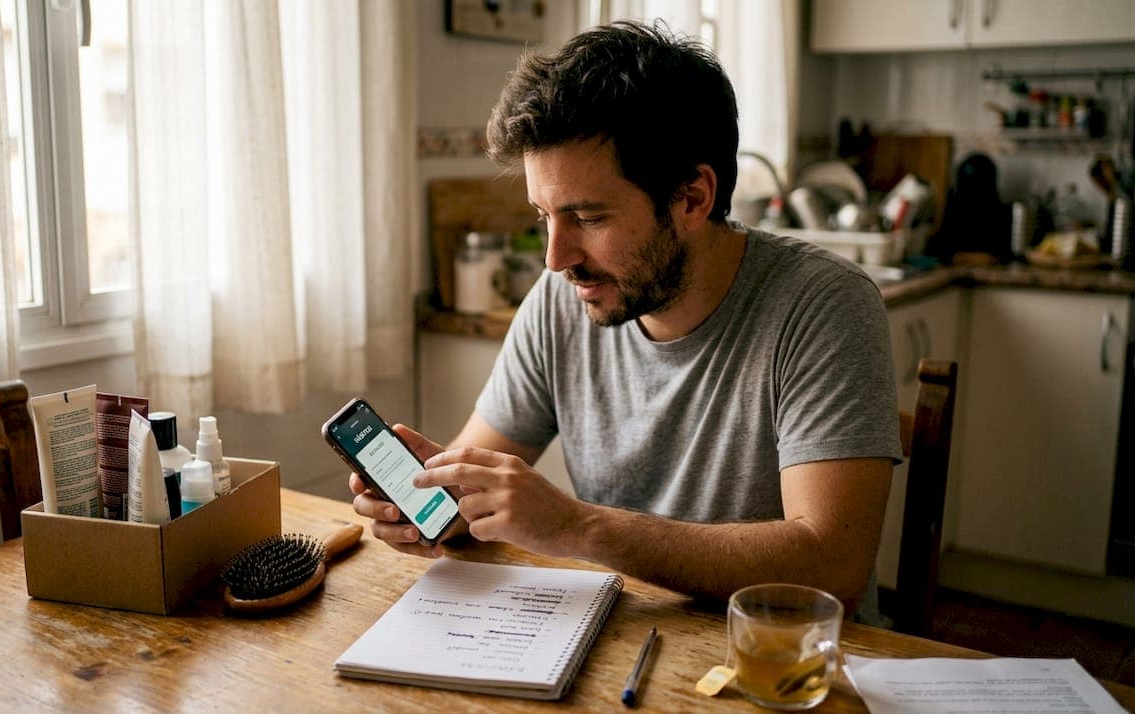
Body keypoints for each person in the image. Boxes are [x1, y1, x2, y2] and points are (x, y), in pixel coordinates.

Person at [349, 21, 900, 618]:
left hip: (781, 650)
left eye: (587, 217)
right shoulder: (560, 300)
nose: (556, 258)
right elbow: (474, 487)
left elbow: (833, 562)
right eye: (544, 216)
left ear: (692, 198)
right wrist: (438, 501)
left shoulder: (823, 305)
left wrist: (579, 527)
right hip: (622, 634)